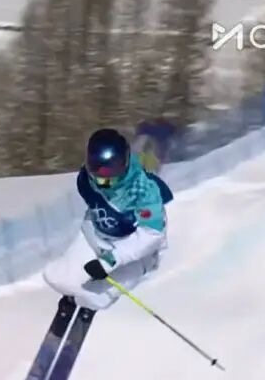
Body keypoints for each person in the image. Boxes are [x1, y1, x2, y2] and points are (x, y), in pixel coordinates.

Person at [43, 128, 174, 313]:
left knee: (97, 295)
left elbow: (152, 235)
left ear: (125, 162)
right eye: (98, 171)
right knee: (56, 277)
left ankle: (89, 306)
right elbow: (95, 205)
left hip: (134, 252)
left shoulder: (143, 190)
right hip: (98, 238)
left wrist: (112, 259)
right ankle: (73, 304)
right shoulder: (86, 180)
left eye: (112, 172)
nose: (105, 181)